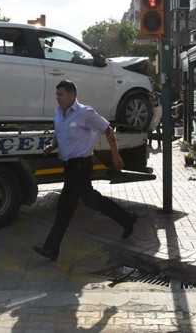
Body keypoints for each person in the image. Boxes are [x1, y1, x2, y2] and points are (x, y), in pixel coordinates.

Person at [33, 80, 137, 262]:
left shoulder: (85, 113)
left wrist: (115, 156)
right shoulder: (58, 113)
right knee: (91, 199)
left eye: (61, 95)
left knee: (64, 206)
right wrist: (51, 146)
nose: (58, 98)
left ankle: (51, 247)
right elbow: (59, 134)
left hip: (81, 165)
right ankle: (127, 219)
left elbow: (108, 130)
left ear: (72, 95)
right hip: (70, 166)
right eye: (57, 95)